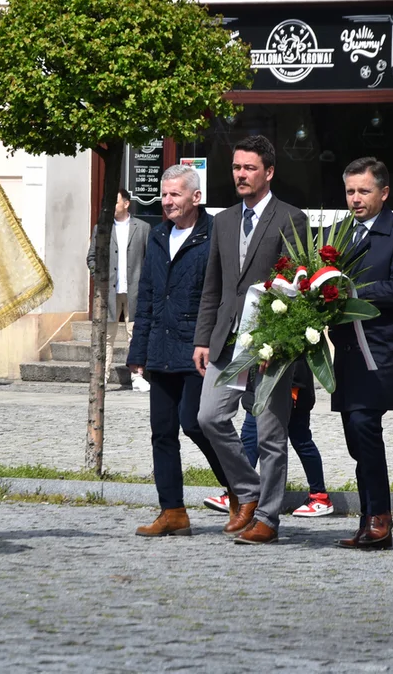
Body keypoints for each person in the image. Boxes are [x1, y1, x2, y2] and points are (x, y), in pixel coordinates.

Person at [194, 134, 308, 545]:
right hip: (227, 341)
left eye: (249, 168)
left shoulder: (291, 218)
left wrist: (277, 344)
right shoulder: (223, 220)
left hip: (270, 345)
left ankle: (267, 518)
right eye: (237, 168)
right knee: (209, 416)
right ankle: (246, 490)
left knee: (271, 436)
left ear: (269, 172)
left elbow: (298, 287)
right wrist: (202, 338)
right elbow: (214, 287)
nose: (241, 175)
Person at [127, 165, 230, 536]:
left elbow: (220, 295)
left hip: (198, 347)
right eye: (164, 194)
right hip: (160, 346)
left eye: (174, 195)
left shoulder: (216, 233)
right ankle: (172, 512)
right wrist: (138, 351)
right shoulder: (157, 235)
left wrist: (214, 341)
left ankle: (239, 491)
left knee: (197, 422)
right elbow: (148, 295)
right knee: (162, 431)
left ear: (195, 197)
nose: (167, 201)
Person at [331, 157, 393, 550]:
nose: (355, 199)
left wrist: (352, 294)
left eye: (363, 191)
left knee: (366, 426)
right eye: (350, 191)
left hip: (381, 350)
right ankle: (369, 519)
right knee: (354, 434)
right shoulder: (338, 234)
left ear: (384, 193)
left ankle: (380, 518)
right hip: (347, 350)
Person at [204, 362, 333, 517]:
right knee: (249, 439)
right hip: (256, 388)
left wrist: (293, 388)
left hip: (290, 387)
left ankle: (320, 496)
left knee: (301, 441)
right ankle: (241, 493)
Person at [87, 189, 151, 392]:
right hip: (110, 291)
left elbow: (150, 260)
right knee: (106, 337)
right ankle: (101, 377)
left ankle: (137, 376)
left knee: (136, 334)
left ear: (126, 203)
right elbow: (92, 258)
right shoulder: (102, 228)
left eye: (115, 202)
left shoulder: (142, 228)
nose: (110, 207)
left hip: (135, 290)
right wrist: (99, 278)